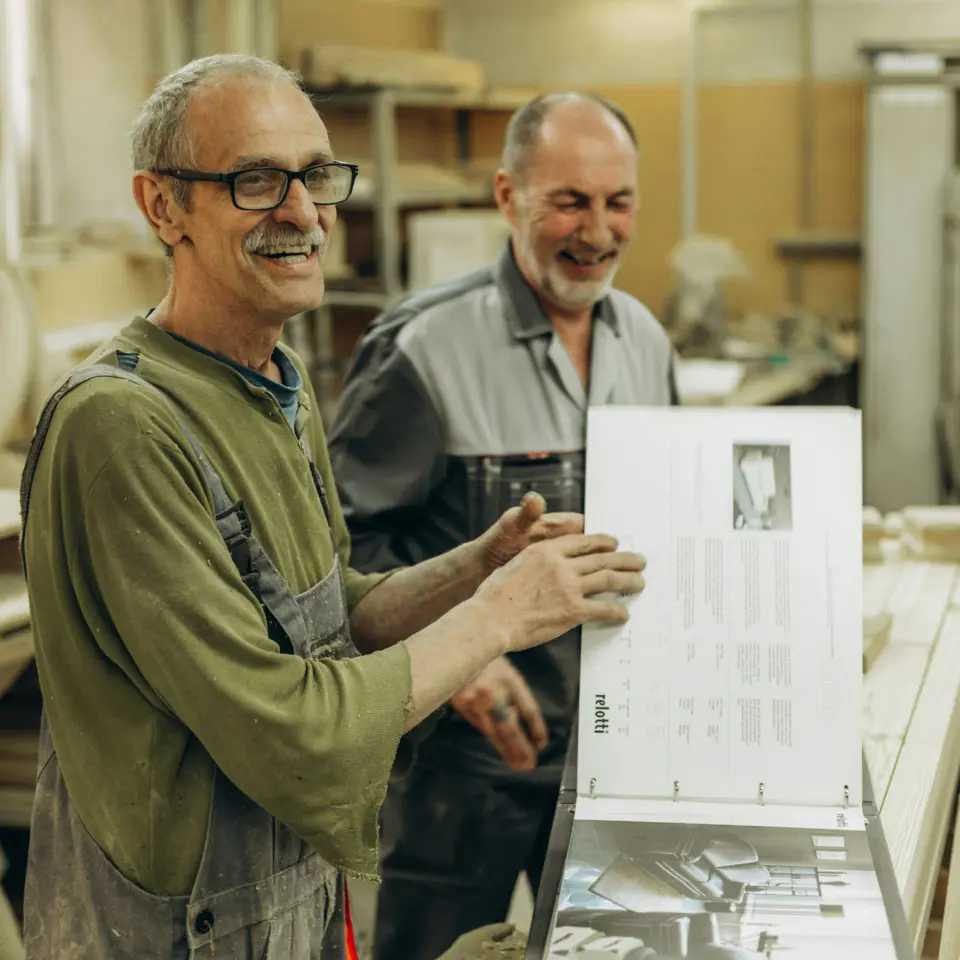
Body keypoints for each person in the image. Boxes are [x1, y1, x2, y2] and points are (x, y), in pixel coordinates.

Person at [17, 58, 648, 960]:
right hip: (171, 931)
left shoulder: (277, 380)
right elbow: (294, 727)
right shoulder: (119, 425)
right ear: (162, 207)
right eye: (256, 181)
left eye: (315, 176)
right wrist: (497, 620)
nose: (304, 212)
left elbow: (328, 616)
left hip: (282, 897)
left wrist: (471, 570)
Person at [328, 91, 678, 960]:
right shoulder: (422, 348)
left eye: (618, 201)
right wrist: (462, 662)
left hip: (614, 754)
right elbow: (337, 554)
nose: (597, 230)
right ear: (507, 196)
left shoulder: (646, 340)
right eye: (569, 200)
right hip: (464, 764)